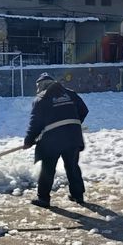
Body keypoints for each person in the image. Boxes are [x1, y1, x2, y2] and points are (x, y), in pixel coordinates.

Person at [24, 73, 89, 208]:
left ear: (40, 86)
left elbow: (35, 123)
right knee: (72, 166)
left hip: (52, 140)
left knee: (48, 168)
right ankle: (78, 195)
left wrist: (29, 140)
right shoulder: (70, 94)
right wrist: (73, 123)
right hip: (73, 136)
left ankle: (43, 198)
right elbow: (84, 110)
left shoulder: (41, 98)